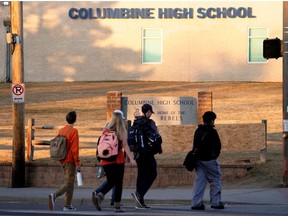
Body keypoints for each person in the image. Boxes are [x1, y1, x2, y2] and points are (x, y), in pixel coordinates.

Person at [92, 110, 136, 213]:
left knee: (111, 180)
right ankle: (117, 206)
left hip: (105, 159)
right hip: (118, 160)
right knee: (118, 182)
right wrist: (132, 159)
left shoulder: (106, 130)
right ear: (121, 119)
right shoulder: (122, 130)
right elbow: (125, 146)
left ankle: (100, 196)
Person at [191, 111, 227, 210]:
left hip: (198, 160)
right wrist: (214, 156)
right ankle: (215, 202)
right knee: (215, 179)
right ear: (212, 120)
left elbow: (194, 145)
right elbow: (217, 146)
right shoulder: (212, 131)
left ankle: (196, 203)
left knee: (199, 181)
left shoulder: (198, 130)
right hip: (209, 160)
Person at [48, 111, 80, 211]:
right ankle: (55, 195)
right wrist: (77, 163)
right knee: (70, 183)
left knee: (69, 182)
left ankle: (67, 205)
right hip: (70, 160)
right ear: (75, 119)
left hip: (62, 159)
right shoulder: (74, 131)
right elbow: (75, 149)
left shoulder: (62, 130)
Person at [131, 103, 160, 209]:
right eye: (150, 112)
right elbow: (156, 136)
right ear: (148, 112)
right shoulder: (150, 123)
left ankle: (139, 201)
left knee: (141, 175)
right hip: (147, 153)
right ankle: (139, 194)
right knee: (152, 173)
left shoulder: (136, 122)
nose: (151, 114)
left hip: (138, 154)